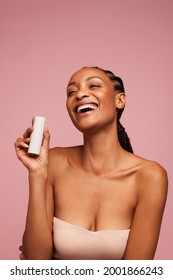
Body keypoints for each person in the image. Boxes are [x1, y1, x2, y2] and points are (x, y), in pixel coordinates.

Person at [14, 66, 168, 260]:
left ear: (119, 100)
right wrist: (37, 174)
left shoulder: (150, 177)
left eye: (93, 85)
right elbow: (35, 264)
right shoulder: (53, 163)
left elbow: (136, 272)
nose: (80, 94)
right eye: (72, 91)